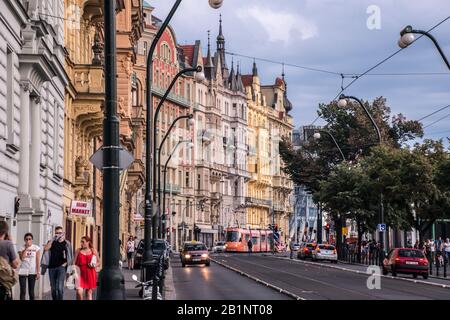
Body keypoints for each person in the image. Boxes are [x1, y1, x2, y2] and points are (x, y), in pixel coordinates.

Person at [43, 226, 73, 300]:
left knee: (59, 288)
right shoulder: (52, 242)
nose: (58, 234)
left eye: (60, 233)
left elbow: (70, 256)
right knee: (53, 289)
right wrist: (53, 239)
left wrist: (65, 264)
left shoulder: (67, 243)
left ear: (63, 233)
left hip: (61, 268)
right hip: (51, 267)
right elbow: (46, 248)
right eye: (57, 233)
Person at [74, 236, 99, 300]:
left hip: (90, 273)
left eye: (83, 242)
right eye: (81, 242)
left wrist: (94, 265)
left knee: (89, 293)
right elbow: (74, 263)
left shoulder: (93, 250)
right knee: (79, 292)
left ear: (88, 242)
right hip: (80, 274)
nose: (81, 243)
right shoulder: (78, 250)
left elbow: (99, 262)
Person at [0, 221, 20, 300]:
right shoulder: (8, 244)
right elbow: (15, 264)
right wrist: (11, 242)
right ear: (5, 232)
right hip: (3, 284)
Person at [17, 233, 40, 300]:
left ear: (32, 240)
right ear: (24, 240)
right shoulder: (21, 248)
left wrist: (38, 272)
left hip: (32, 271)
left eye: (29, 239)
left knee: (31, 292)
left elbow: (38, 260)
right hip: (23, 271)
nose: (28, 240)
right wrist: (26, 248)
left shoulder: (36, 248)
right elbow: (22, 258)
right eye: (26, 239)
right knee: (23, 291)